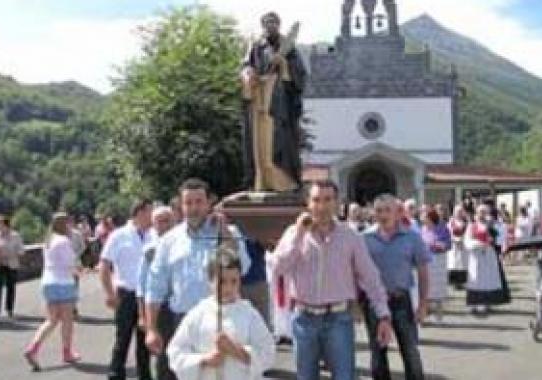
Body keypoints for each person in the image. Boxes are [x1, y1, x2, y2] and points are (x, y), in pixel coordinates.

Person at [270, 180, 393, 380]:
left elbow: (370, 277)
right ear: (308, 204)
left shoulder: (350, 236)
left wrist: (383, 316)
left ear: (337, 203)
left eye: (328, 200)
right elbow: (278, 267)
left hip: (338, 319)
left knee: (344, 376)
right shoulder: (295, 234)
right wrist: (299, 235)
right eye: (316, 200)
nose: (322, 206)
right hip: (304, 319)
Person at [144, 178, 251, 376]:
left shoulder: (228, 233)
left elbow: (243, 267)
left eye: (199, 202)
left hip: (219, 320)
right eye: (188, 203)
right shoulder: (169, 240)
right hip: (180, 321)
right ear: (181, 206)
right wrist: (151, 329)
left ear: (209, 203)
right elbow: (155, 286)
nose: (194, 208)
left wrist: (224, 231)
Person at [167, 248, 275, 380]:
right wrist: (204, 360)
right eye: (222, 282)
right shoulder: (198, 314)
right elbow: (175, 352)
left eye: (234, 281)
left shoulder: (249, 314)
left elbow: (267, 352)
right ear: (210, 281)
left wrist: (236, 350)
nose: (228, 288)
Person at [361, 194, 429, 380]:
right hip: (374, 303)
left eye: (387, 210)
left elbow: (423, 271)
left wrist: (423, 304)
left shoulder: (412, 238)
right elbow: (355, 273)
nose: (383, 215)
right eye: (379, 211)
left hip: (401, 300)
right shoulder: (364, 239)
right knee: (378, 352)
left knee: (409, 350)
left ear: (398, 213)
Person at [240, 11, 306, 191]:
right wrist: (248, 75)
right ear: (263, 26)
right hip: (259, 96)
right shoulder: (256, 47)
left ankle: (283, 182)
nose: (270, 26)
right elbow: (246, 66)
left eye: (274, 23)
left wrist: (284, 65)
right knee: (259, 141)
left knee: (279, 140)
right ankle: (261, 180)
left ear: (279, 25)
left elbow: (299, 75)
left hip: (279, 101)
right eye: (267, 23)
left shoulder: (289, 48)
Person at [100, 199, 155, 380]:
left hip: (147, 296)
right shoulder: (119, 235)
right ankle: (116, 374)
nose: (152, 216)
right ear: (139, 213)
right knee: (122, 338)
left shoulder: (153, 235)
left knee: (144, 341)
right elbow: (105, 264)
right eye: (149, 212)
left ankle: (144, 376)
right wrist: (109, 293)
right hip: (125, 293)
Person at [23, 213, 82, 371]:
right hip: (64, 282)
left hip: (48, 281)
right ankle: (67, 351)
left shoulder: (48, 241)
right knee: (67, 320)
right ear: (64, 225)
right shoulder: (64, 241)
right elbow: (71, 263)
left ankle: (33, 348)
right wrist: (79, 270)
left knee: (51, 320)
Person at [135, 206, 176, 380]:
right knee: (163, 355)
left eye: (167, 220)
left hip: (181, 306)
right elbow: (141, 286)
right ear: (153, 225)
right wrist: (143, 316)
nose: (164, 225)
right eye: (160, 221)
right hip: (160, 308)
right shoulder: (150, 251)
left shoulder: (182, 244)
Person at [464, 205, 506, 314]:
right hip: (476, 255)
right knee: (476, 280)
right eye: (480, 212)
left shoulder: (490, 225)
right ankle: (474, 304)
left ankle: (487, 303)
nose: (481, 215)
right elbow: (467, 241)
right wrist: (479, 244)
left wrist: (493, 240)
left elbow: (498, 239)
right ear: (476, 214)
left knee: (488, 279)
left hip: (488, 255)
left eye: (484, 212)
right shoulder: (471, 226)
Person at [0, 215, 24, 321]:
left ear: (7, 226)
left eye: (1, 225)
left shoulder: (16, 236)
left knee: (11, 288)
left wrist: (12, 254)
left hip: (11, 264)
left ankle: (9, 310)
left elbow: (21, 251)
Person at [421, 207, 451, 323]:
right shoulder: (422, 229)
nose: (422, 218)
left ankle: (439, 316)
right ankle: (423, 316)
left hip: (438, 261)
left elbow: (448, 244)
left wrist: (438, 245)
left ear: (430, 217)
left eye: (424, 216)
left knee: (438, 290)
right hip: (425, 262)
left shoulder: (443, 229)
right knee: (425, 290)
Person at [447, 205, 470, 289]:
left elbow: (469, 233)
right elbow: (449, 233)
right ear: (454, 213)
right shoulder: (451, 222)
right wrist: (455, 240)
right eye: (457, 212)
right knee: (454, 263)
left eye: (461, 211)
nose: (459, 213)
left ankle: (462, 282)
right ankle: (454, 283)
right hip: (454, 245)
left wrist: (463, 240)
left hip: (463, 245)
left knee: (462, 264)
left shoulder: (466, 223)